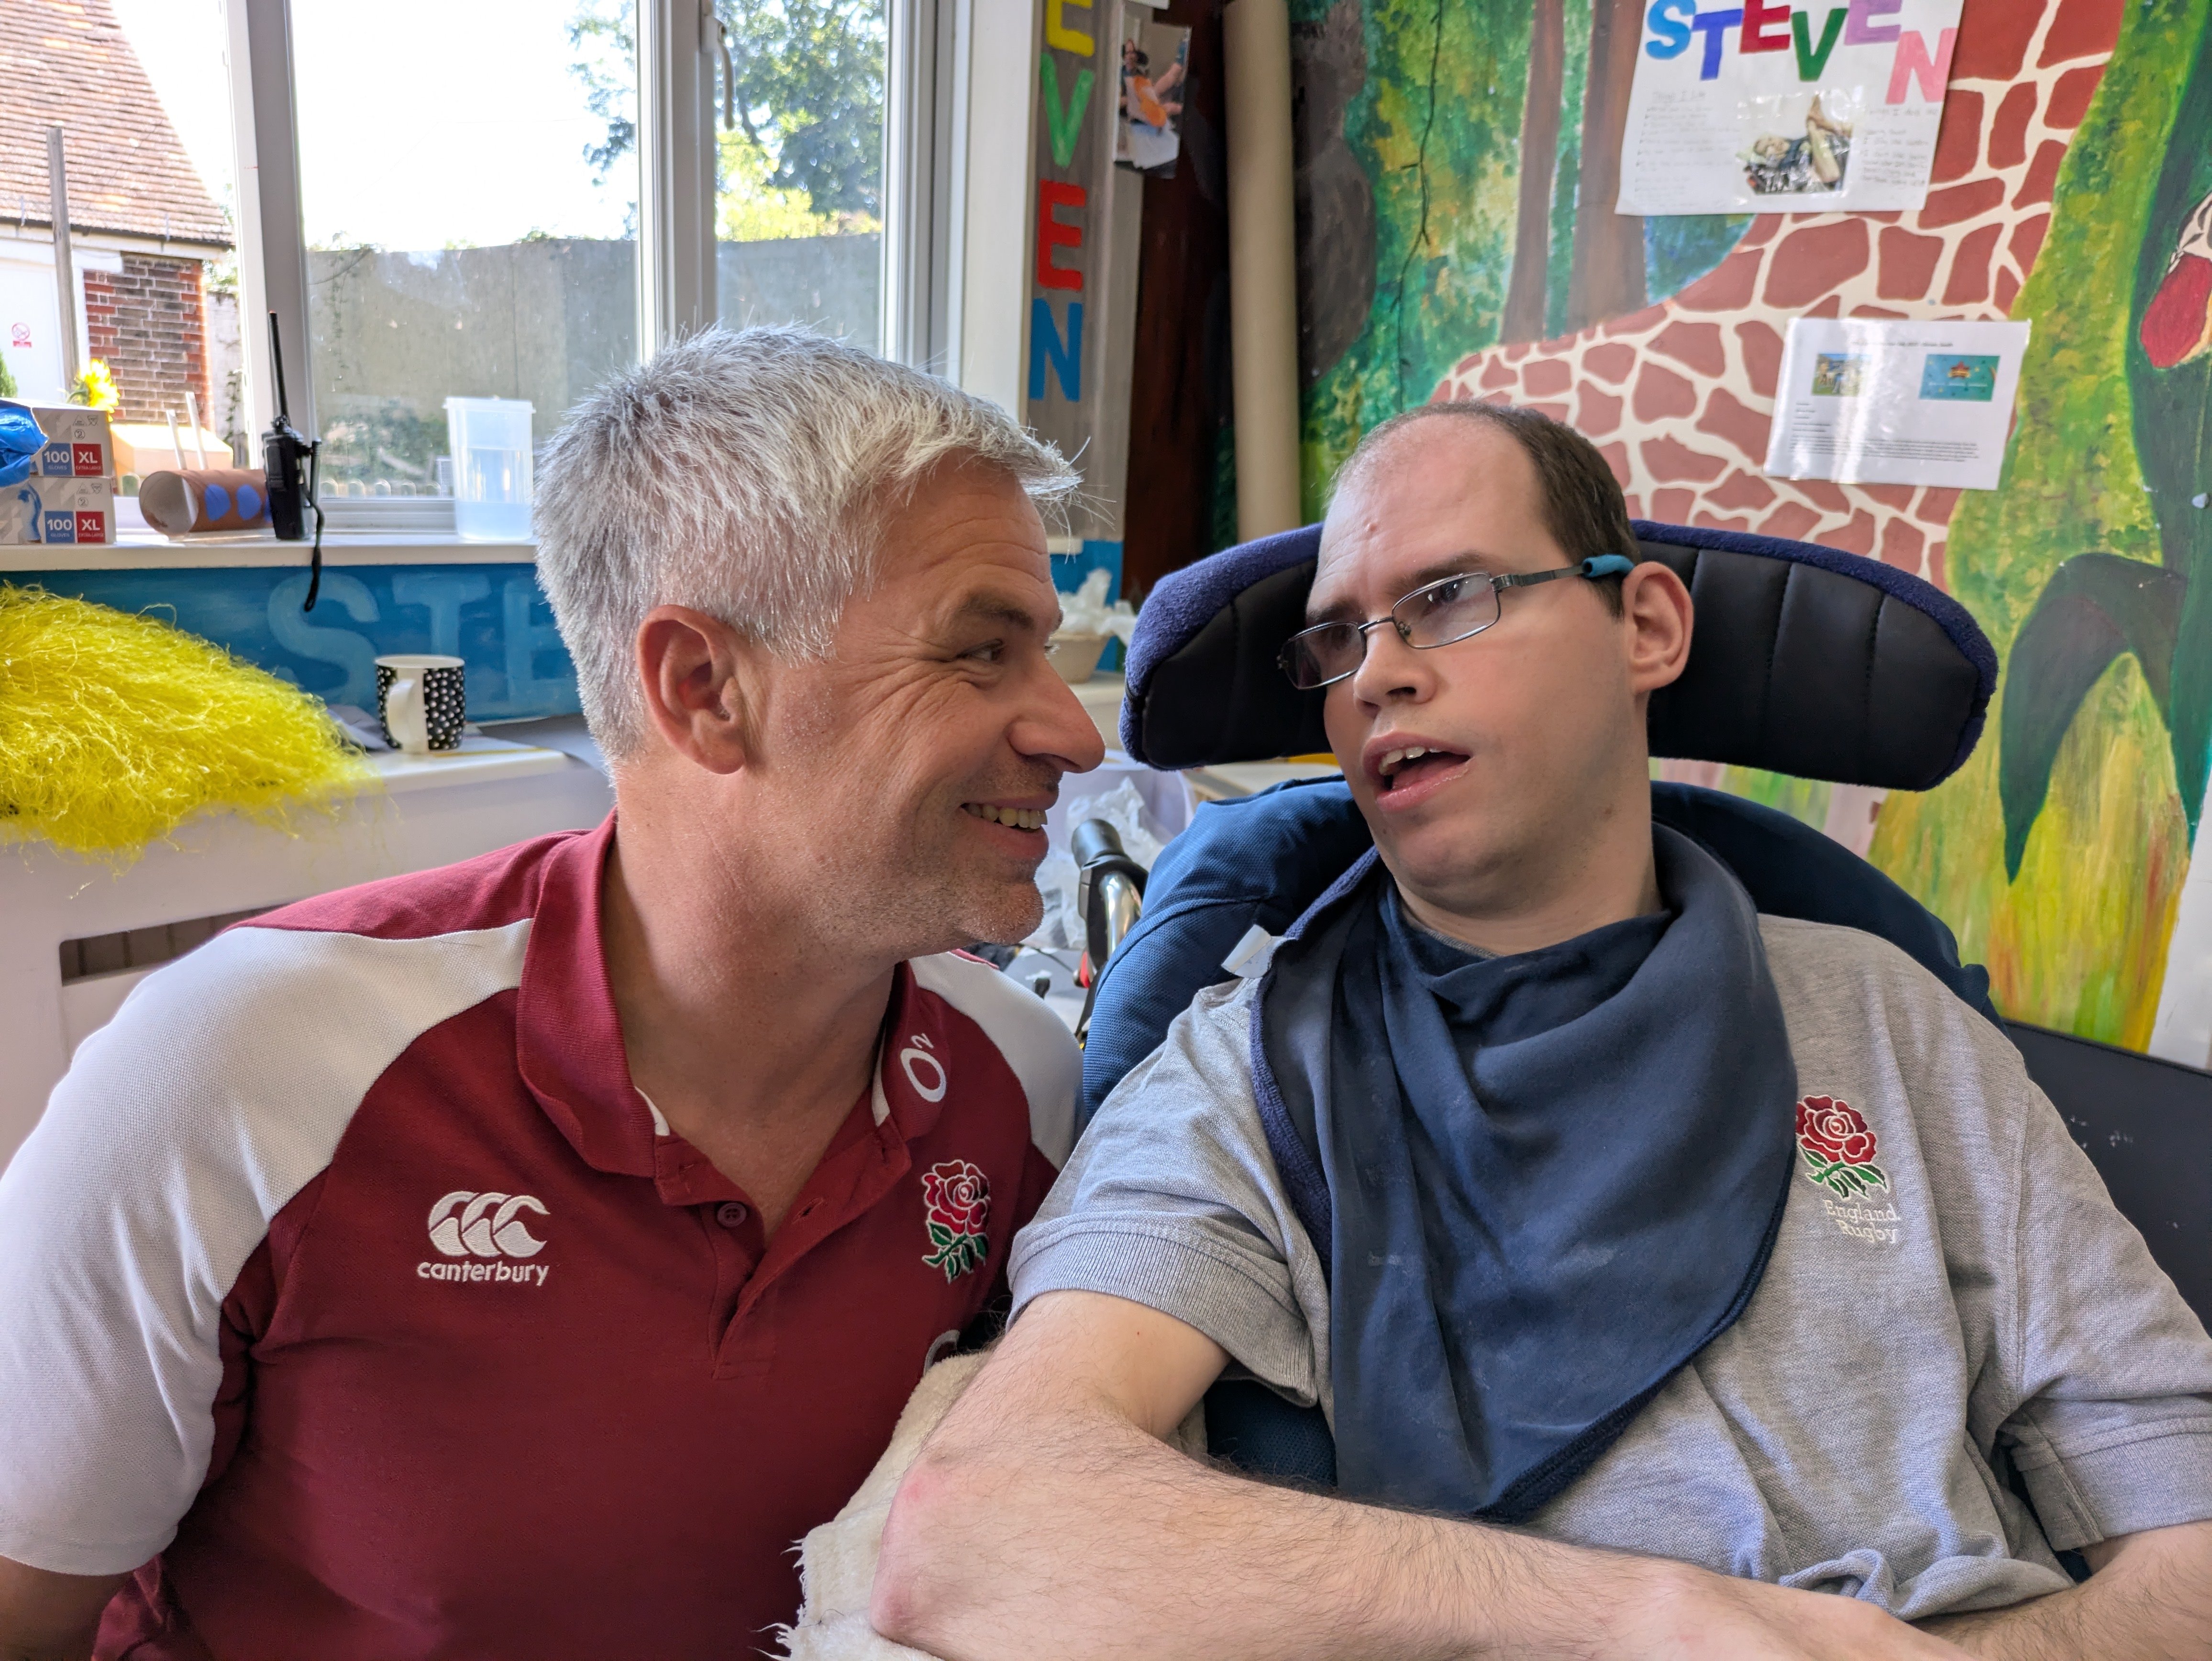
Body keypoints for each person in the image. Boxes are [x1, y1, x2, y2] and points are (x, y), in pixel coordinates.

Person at [870, 402, 2212, 1660]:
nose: (1378, 676)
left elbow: (2190, 1537)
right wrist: (1655, 1620)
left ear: (1648, 628)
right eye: (1337, 641)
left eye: (1450, 598)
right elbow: (981, 1528)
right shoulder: (1241, 1080)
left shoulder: (1891, 1020)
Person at [0, 327, 1106, 1659]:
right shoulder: (247, 1073)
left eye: (1046, 653)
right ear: (704, 690)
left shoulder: (1022, 1086)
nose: (1075, 731)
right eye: (981, 652)